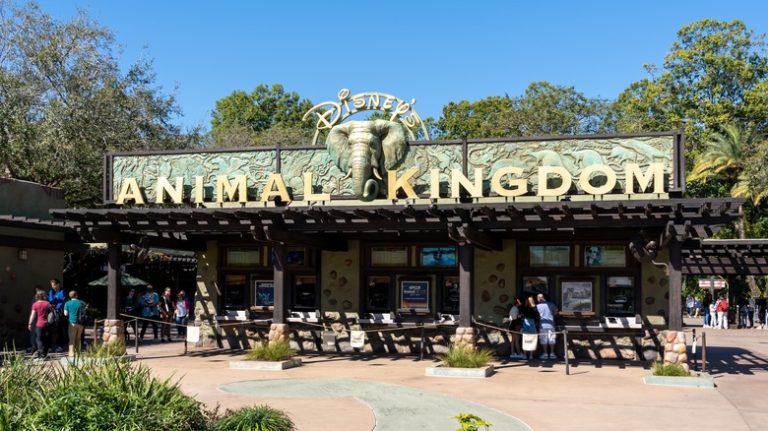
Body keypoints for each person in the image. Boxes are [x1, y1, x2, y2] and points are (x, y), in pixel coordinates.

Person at [28, 291, 51, 358]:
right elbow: (52, 312)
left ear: (37, 296)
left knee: (39, 339)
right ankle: (45, 353)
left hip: (39, 324)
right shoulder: (47, 303)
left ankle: (41, 354)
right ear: (44, 296)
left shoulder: (35, 304)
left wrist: (30, 323)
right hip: (47, 323)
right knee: (46, 338)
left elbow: (32, 315)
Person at [536, 293, 558, 360]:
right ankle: (552, 353)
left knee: (544, 340)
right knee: (552, 339)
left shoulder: (537, 306)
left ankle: (545, 353)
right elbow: (556, 311)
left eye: (537, 298)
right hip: (551, 324)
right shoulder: (551, 304)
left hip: (542, 325)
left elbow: (535, 314)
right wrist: (553, 314)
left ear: (539, 298)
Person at [47, 278, 67, 352]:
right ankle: (49, 346)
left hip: (59, 312)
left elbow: (62, 302)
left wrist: (55, 303)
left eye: (54, 285)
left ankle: (60, 345)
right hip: (52, 312)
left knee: (59, 328)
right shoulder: (51, 291)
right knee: (49, 327)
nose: (53, 287)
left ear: (58, 284)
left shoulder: (62, 291)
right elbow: (50, 300)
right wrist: (54, 300)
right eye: (52, 285)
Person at [63, 290, 84, 357]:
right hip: (81, 323)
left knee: (72, 338)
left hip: (72, 323)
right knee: (78, 338)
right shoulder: (81, 302)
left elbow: (65, 314)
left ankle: (71, 353)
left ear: (69, 296)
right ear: (76, 295)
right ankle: (78, 353)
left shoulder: (67, 303)